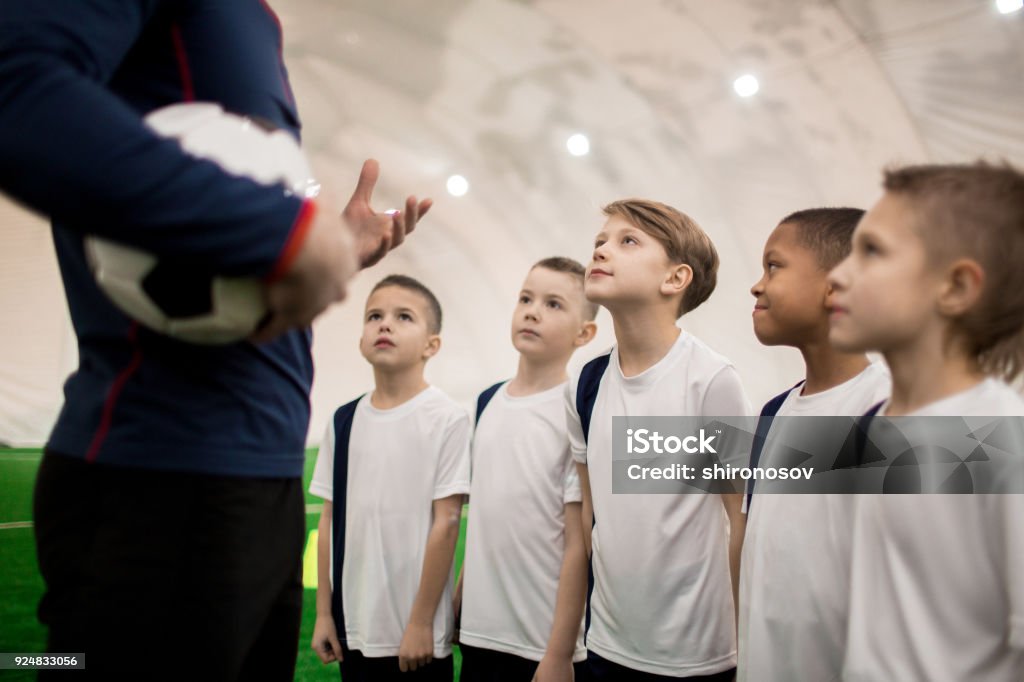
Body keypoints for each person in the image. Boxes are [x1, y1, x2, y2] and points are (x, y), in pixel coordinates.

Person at [0, 3, 430, 679]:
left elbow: (219, 265)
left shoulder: (248, 17)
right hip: (161, 481)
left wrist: (327, 249)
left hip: (258, 476)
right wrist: (279, 232)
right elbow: (16, 83)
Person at [828, 163, 1024, 681]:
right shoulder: (878, 425)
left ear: (956, 287)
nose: (838, 275)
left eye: (872, 251)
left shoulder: (1004, 441)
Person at [568, 199, 749, 681]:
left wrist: (747, 645)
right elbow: (584, 522)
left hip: (698, 657)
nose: (602, 250)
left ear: (675, 279)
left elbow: (740, 518)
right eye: (600, 241)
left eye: (627, 241)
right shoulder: (586, 382)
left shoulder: (712, 380)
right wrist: (559, 647)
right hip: (604, 646)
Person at [737, 208, 889, 681]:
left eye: (774, 266)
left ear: (836, 286)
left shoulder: (889, 410)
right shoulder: (771, 415)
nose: (757, 285)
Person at [309, 275, 470, 682]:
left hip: (414, 637)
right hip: (354, 630)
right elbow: (328, 521)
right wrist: (325, 615)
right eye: (374, 316)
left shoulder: (447, 419)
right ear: (361, 338)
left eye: (403, 317)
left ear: (431, 345)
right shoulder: (342, 420)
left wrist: (420, 623)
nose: (385, 324)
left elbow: (447, 523)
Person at [458, 257, 598, 682]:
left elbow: (579, 542)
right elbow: (484, 516)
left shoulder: (575, 411)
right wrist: (460, 597)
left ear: (585, 333)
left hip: (539, 642)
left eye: (554, 304)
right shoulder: (486, 402)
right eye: (526, 298)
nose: (533, 311)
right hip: (479, 634)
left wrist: (558, 653)